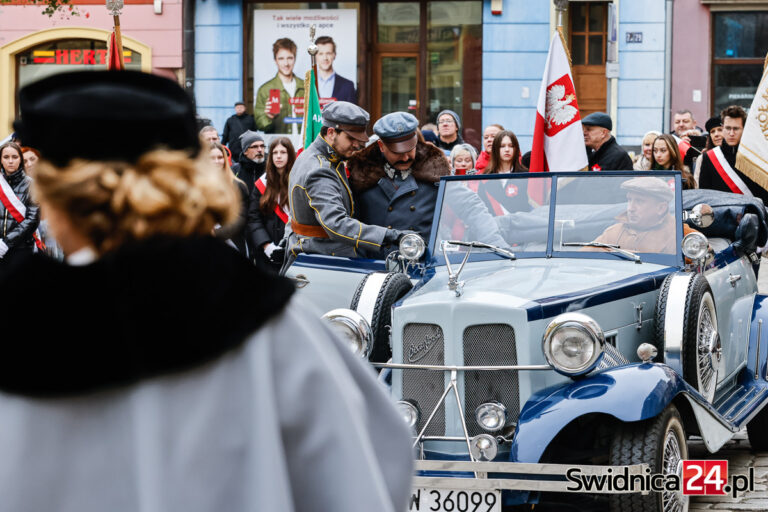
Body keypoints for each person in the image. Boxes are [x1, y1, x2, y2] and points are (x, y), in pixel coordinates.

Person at [4, 69, 414, 512]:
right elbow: (376, 467)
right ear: (186, 183)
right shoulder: (271, 323)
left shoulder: (16, 322)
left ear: (55, 196)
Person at [283, 101, 410, 270]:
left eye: (359, 139)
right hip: (322, 261)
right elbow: (337, 225)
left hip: (312, 255)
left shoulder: (317, 156)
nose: (357, 145)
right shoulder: (319, 170)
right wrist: (390, 235)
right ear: (330, 132)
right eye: (351, 138)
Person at [347, 112, 450, 258]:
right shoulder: (360, 175)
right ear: (381, 146)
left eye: (410, 149)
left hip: (421, 265)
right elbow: (350, 224)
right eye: (398, 152)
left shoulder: (436, 173)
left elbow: (471, 207)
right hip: (375, 266)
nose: (406, 157)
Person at [592, 177, 696, 254]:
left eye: (639, 201)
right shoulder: (614, 232)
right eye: (629, 200)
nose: (630, 208)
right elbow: (585, 255)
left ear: (661, 208)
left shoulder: (679, 233)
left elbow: (702, 254)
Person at [698, 105, 768, 203]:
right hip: (721, 215)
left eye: (736, 129)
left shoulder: (755, 157)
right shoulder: (709, 157)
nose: (731, 133)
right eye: (728, 128)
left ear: (744, 129)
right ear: (722, 128)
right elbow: (704, 196)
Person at [247, 137, 295, 271]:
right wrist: (267, 246)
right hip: (266, 254)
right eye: (275, 153)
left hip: (293, 250)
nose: (278, 156)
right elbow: (253, 218)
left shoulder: (298, 182)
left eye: (283, 152)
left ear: (290, 155)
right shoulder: (262, 184)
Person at [0, 141, 40, 264]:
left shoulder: (32, 184)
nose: (10, 161)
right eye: (6, 157)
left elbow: (32, 219)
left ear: (20, 160)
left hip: (22, 249)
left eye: (15, 157)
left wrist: (6, 242)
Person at [254, 38, 305, 134]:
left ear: (295, 58)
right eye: (281, 58)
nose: (286, 64)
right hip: (277, 147)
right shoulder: (265, 90)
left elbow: (316, 119)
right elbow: (259, 125)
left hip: (303, 146)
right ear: (275, 60)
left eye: (290, 58)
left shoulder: (307, 87)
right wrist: (268, 117)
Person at [475, 130, 530, 214]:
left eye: (511, 146)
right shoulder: (485, 177)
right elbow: (481, 209)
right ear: (496, 149)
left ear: (516, 149)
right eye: (502, 146)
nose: (507, 150)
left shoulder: (525, 176)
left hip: (520, 224)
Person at [210, 142, 250, 256]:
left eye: (220, 157)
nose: (216, 161)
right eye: (212, 158)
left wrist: (215, 233)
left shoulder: (238, 185)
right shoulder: (197, 185)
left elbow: (240, 219)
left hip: (233, 243)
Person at [315, 36, 357, 104]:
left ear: (334, 55)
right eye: (321, 54)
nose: (325, 58)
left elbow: (352, 114)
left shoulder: (348, 86)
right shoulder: (306, 85)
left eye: (328, 53)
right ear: (315, 56)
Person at [231, 130, 266, 195]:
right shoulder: (235, 171)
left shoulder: (270, 169)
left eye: (262, 146)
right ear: (245, 151)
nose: (260, 150)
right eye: (255, 147)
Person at [694, 116, 724, 184]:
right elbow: (697, 185)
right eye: (712, 131)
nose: (716, 134)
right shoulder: (703, 158)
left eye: (720, 130)